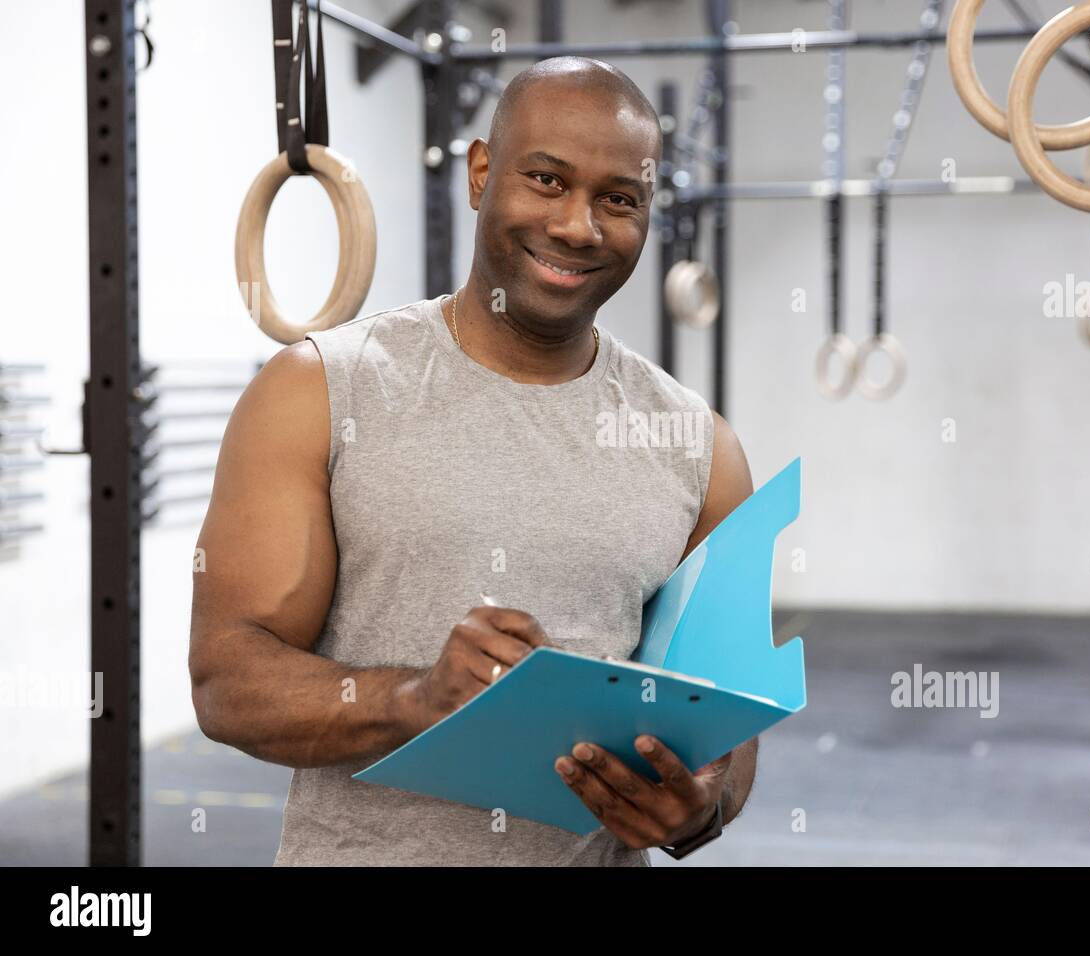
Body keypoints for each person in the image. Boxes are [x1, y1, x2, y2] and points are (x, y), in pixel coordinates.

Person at [190, 56, 758, 866]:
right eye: (547, 180)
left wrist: (698, 811)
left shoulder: (700, 447)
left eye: (617, 199)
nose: (578, 227)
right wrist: (413, 699)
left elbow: (726, 729)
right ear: (481, 172)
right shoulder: (319, 391)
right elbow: (226, 681)